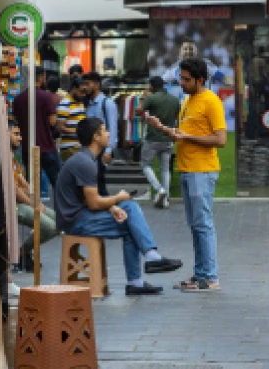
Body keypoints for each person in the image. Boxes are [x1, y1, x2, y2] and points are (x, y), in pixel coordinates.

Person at [54, 118, 179, 295]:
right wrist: (118, 198)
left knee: (129, 220)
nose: (109, 134)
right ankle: (150, 257)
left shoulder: (86, 159)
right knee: (129, 209)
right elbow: (94, 203)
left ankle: (137, 280)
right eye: (104, 131)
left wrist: (112, 206)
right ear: (96, 137)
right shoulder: (85, 163)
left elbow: (87, 198)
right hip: (74, 221)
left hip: (79, 215)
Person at [146, 58, 226, 292]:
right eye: (180, 78)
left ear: (201, 79)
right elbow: (181, 135)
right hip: (187, 168)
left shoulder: (211, 101)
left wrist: (187, 138)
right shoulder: (187, 100)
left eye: (186, 79)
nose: (181, 82)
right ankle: (200, 275)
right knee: (195, 225)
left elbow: (221, 140)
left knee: (203, 225)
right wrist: (162, 128)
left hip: (202, 170)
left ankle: (210, 277)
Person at [9, 122, 58, 271]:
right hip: (11, 205)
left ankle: (23, 251)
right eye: (16, 134)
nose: (20, 138)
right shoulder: (2, 157)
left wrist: (35, 200)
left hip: (22, 202)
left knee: (58, 220)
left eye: (20, 134)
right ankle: (21, 253)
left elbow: (23, 184)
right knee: (49, 227)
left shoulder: (13, 159)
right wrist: (33, 204)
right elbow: (15, 189)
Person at [11, 68, 63, 187]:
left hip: (27, 148)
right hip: (46, 146)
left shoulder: (18, 99)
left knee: (33, 187)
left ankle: (35, 205)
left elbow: (16, 119)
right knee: (58, 183)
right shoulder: (46, 97)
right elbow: (52, 121)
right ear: (41, 78)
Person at [139, 75, 180, 208]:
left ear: (152, 86)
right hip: (168, 137)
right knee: (165, 169)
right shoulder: (174, 100)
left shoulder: (151, 98)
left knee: (145, 165)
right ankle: (166, 198)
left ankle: (159, 189)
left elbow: (138, 111)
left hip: (153, 137)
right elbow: (178, 118)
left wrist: (143, 97)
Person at [84, 72, 120, 164]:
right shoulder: (89, 103)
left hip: (101, 149)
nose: (85, 87)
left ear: (97, 85)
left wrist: (108, 151)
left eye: (88, 84)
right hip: (90, 149)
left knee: (99, 176)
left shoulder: (107, 103)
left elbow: (113, 128)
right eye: (85, 84)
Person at [57, 76, 88, 160]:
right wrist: (78, 132)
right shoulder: (65, 103)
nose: (83, 95)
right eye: (81, 92)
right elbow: (60, 127)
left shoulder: (80, 103)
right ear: (74, 89)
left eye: (85, 92)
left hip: (79, 146)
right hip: (70, 148)